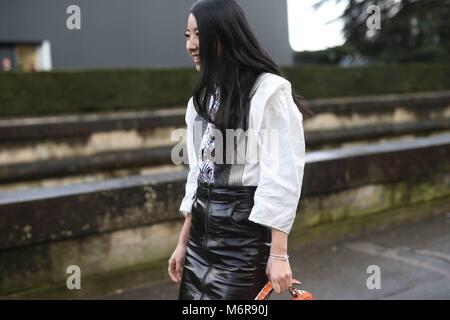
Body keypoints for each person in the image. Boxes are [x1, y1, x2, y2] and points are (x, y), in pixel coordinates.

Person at [168, 0, 314, 300]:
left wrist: (279, 254)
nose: (192, 45)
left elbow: (281, 174)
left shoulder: (268, 90)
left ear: (224, 36)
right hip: (199, 240)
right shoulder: (201, 100)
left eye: (199, 34)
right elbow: (199, 173)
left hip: (242, 246)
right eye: (187, 35)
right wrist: (183, 242)